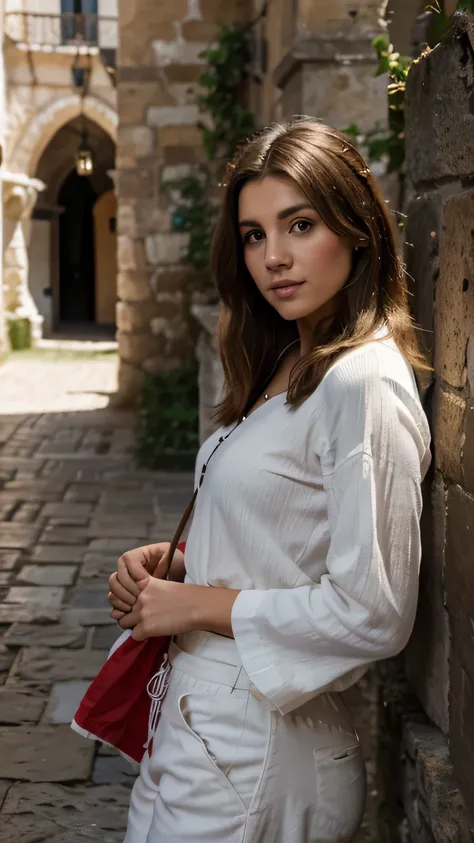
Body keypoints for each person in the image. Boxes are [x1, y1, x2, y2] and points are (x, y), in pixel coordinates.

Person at [108, 117, 432, 843]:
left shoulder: (364, 382)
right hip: (202, 725)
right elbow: (286, 538)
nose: (274, 257)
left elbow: (374, 611)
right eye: (254, 235)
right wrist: (184, 565)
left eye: (300, 223)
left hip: (258, 743)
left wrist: (194, 602)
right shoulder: (286, 361)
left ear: (357, 229)